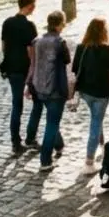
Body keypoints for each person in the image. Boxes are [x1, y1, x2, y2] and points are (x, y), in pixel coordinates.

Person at [72, 16, 109, 168]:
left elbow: (74, 69)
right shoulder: (107, 49)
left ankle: (102, 145)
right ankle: (89, 161)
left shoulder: (81, 47)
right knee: (96, 122)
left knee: (97, 117)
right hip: (102, 93)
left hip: (85, 92)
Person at [28, 10, 73, 170]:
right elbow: (67, 60)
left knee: (52, 120)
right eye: (63, 24)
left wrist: (29, 84)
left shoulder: (37, 41)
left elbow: (33, 64)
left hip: (39, 87)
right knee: (52, 123)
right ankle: (45, 161)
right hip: (54, 88)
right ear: (59, 25)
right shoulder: (60, 42)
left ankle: (59, 144)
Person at [0, 0, 43, 155]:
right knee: (38, 102)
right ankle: (30, 137)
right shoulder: (29, 26)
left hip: (11, 68)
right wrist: (34, 71)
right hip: (26, 69)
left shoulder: (7, 23)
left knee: (16, 105)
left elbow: (4, 46)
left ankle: (15, 143)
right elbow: (31, 51)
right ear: (30, 6)